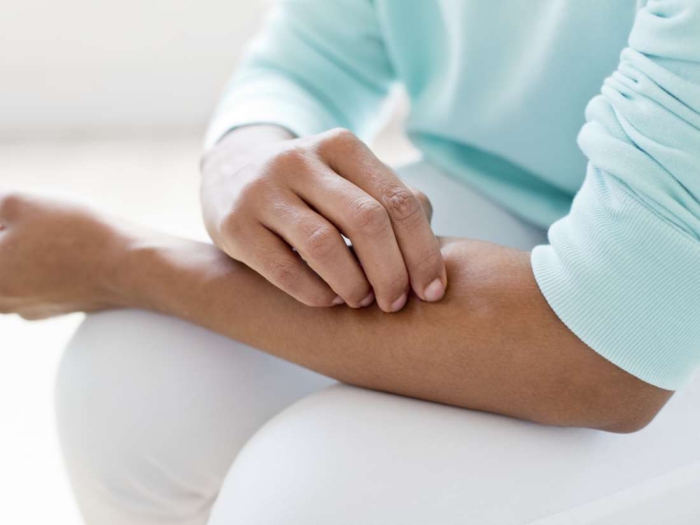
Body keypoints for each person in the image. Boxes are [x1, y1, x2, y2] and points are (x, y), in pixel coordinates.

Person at [2, 0, 700, 523]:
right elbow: (310, 54)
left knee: (311, 498)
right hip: (509, 190)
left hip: (666, 299)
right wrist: (244, 156)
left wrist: (124, 263)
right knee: (130, 377)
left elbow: (605, 352)